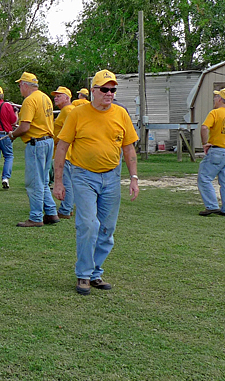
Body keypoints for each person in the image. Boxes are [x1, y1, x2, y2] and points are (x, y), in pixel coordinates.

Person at [53, 70, 139, 295]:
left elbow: (129, 148)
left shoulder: (121, 114)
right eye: (104, 89)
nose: (109, 94)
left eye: (113, 90)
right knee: (89, 225)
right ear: (93, 91)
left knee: (107, 229)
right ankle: (83, 274)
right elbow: (61, 147)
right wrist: (59, 182)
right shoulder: (78, 114)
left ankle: (95, 273)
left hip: (112, 176)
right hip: (83, 176)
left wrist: (134, 178)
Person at [10, 72, 59, 227]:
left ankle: (36, 217)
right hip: (48, 141)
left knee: (34, 182)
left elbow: (25, 126)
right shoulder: (45, 98)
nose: (20, 89)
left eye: (20, 86)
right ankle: (51, 212)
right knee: (44, 180)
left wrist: (13, 135)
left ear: (25, 85)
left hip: (36, 143)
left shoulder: (29, 101)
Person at [197, 88, 225, 217]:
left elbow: (204, 127)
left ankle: (211, 206)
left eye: (216, 97)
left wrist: (205, 143)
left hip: (217, 150)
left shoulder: (215, 113)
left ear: (220, 99)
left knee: (204, 178)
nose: (214, 100)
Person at [51, 86, 75, 219]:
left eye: (59, 95)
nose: (56, 97)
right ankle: (68, 207)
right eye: (55, 96)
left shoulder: (68, 110)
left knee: (66, 182)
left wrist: (54, 140)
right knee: (68, 181)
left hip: (65, 152)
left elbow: (67, 133)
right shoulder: (65, 111)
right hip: (64, 152)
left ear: (67, 97)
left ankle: (66, 209)